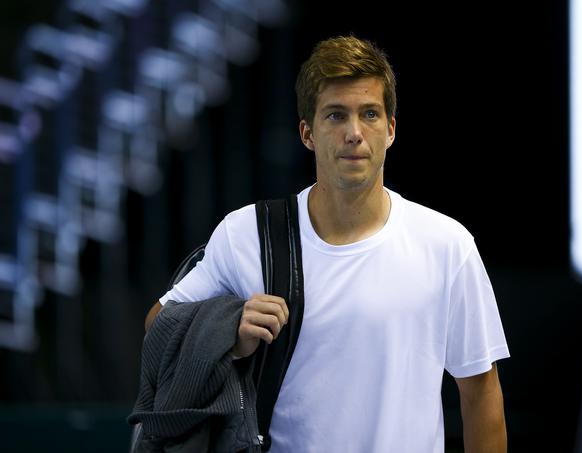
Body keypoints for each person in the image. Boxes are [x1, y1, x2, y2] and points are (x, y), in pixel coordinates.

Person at [145, 35, 510, 452]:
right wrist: (226, 328)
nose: (355, 133)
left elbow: (481, 393)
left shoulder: (447, 245)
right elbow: (157, 326)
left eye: (369, 114)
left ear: (390, 129)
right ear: (307, 133)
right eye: (336, 116)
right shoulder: (246, 234)